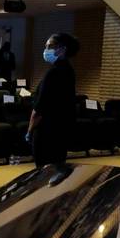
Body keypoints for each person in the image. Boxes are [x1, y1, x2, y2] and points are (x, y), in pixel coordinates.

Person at [28, 32, 79, 168]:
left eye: (50, 46)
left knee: (43, 170)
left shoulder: (53, 73)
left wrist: (29, 130)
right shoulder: (69, 70)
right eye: (46, 46)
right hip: (61, 129)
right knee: (57, 168)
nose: (46, 50)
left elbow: (40, 108)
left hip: (46, 131)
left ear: (62, 49)